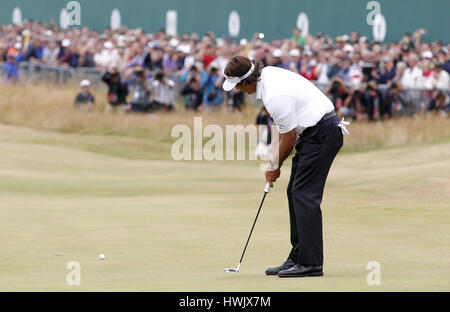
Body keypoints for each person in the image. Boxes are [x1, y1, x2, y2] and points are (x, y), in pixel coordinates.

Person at [223, 56, 349, 278]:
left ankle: (311, 264)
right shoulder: (268, 76)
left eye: (237, 86)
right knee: (295, 192)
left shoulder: (274, 96)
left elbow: (289, 137)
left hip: (322, 133)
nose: (238, 91)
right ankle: (298, 257)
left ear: (247, 82)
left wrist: (274, 166)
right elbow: (283, 131)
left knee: (304, 195)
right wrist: (273, 163)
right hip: (313, 133)